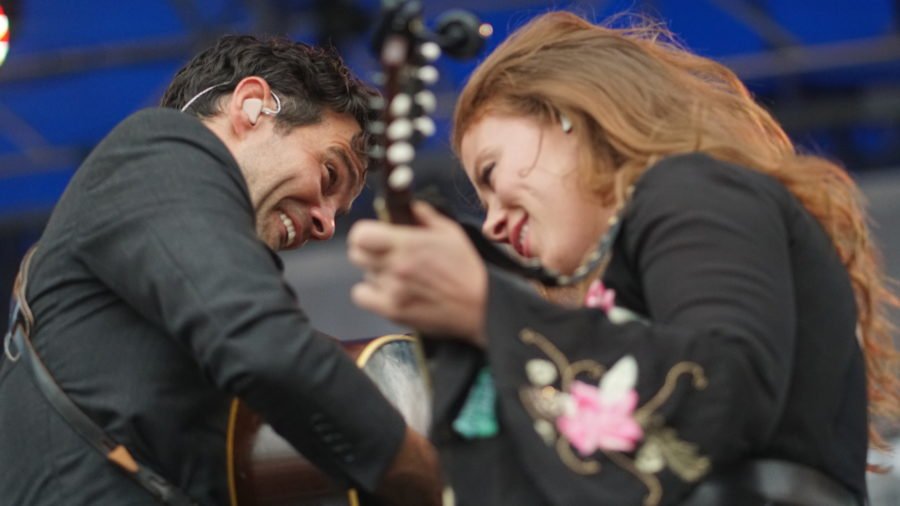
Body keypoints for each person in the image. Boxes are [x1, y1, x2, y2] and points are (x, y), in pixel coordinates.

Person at [347, 11, 900, 506]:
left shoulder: (693, 185)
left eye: (491, 173)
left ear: (566, 113)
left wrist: (486, 310)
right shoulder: (634, 269)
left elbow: (723, 386)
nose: (490, 221)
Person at [0, 35, 441, 505]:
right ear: (252, 106)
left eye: (339, 211)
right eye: (329, 174)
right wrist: (427, 474)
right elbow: (269, 347)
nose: (327, 224)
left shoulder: (189, 290)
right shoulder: (157, 149)